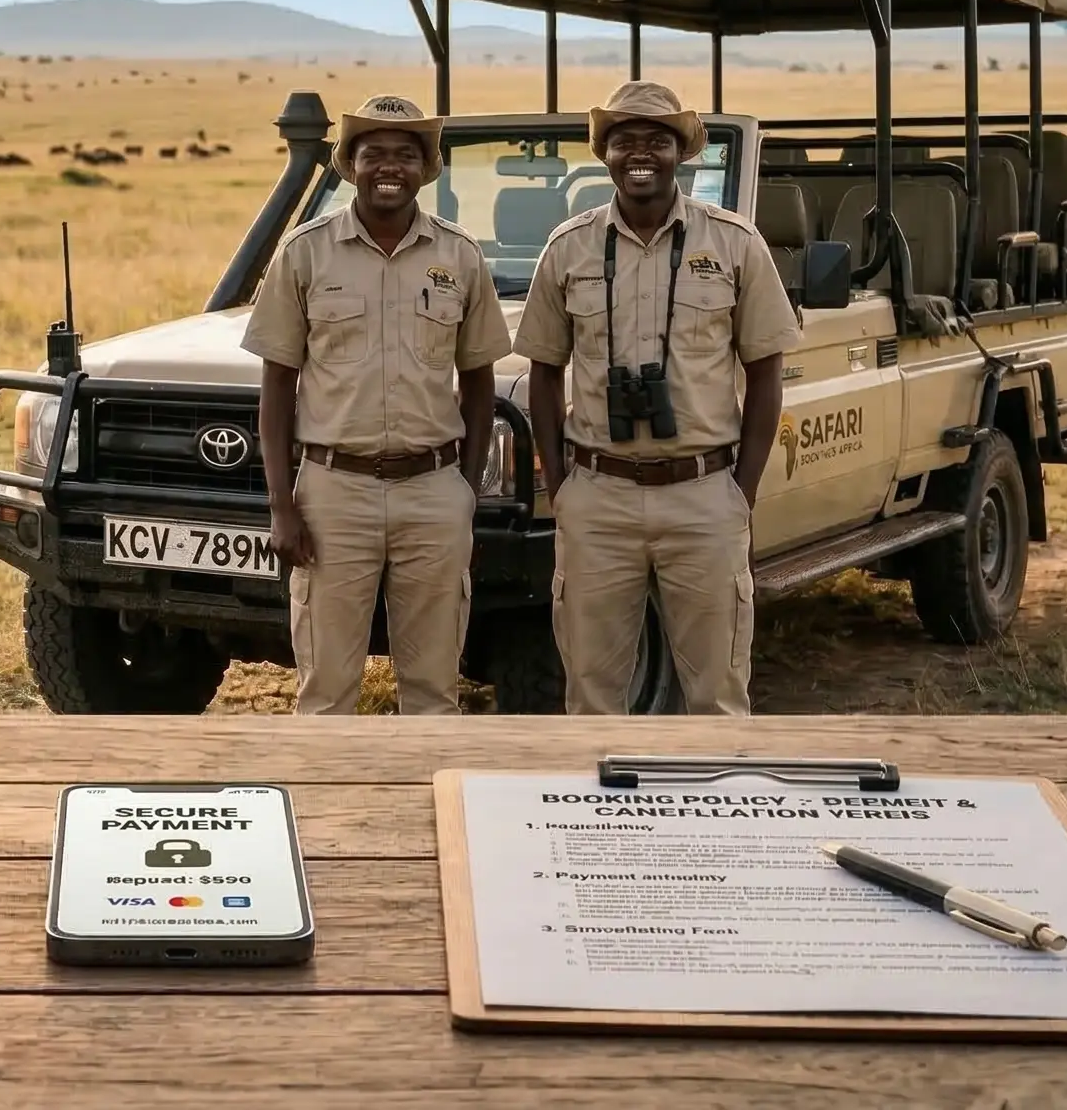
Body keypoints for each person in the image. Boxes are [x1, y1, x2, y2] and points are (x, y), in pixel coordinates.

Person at [513, 80, 800, 715]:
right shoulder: (568, 248)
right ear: (605, 153)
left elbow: (766, 371)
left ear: (682, 153)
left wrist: (740, 493)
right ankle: (599, 818)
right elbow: (542, 372)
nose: (640, 152)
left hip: (704, 494)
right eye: (624, 139)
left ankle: (718, 811)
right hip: (598, 496)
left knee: (719, 698)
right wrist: (561, 487)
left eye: (657, 139)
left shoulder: (733, 242)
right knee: (590, 696)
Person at [242, 95, 510, 714]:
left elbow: (478, 384)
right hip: (335, 492)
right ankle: (324, 810)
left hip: (433, 490)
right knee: (326, 691)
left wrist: (464, 493)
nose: (389, 166)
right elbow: (277, 386)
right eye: (374, 153)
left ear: (426, 168)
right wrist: (282, 505)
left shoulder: (459, 256)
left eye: (405, 154)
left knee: (434, 691)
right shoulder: (305, 253)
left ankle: (428, 808)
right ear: (348, 165)